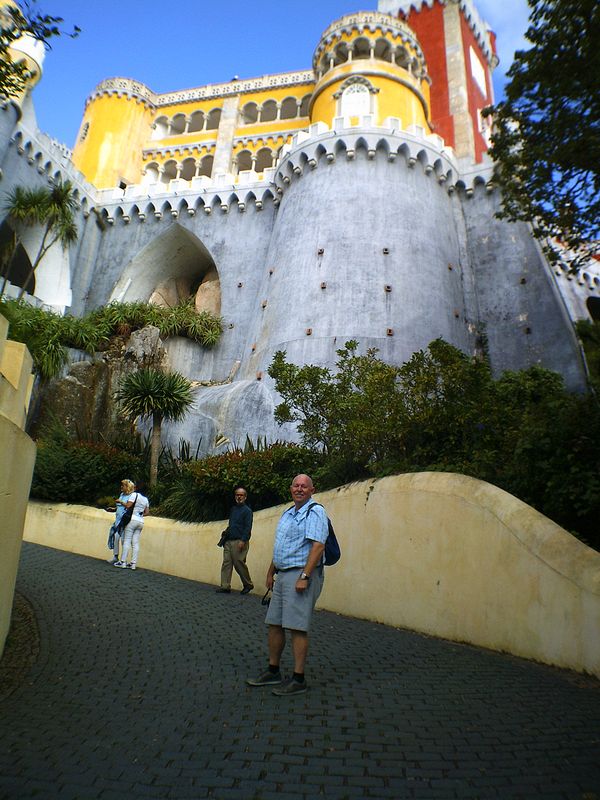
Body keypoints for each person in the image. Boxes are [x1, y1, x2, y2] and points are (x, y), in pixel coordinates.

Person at [246, 474, 328, 696]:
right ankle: (274, 670)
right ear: (291, 489)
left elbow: (318, 546)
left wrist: (305, 576)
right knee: (274, 623)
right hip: (283, 575)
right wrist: (271, 571)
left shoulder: (316, 512)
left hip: (300, 575)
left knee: (297, 626)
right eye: (296, 485)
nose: (299, 489)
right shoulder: (288, 513)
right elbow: (282, 546)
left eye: (304, 486)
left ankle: (299, 678)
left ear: (312, 490)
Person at [216, 486, 254, 595]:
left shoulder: (247, 511)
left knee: (239, 563)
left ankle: (248, 584)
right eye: (237, 495)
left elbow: (248, 527)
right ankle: (225, 586)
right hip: (228, 540)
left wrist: (243, 540)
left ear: (245, 497)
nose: (239, 497)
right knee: (226, 563)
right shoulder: (233, 509)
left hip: (239, 541)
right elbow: (231, 524)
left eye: (241, 495)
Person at [114, 482, 149, 571]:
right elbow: (147, 512)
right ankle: (133, 564)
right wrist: (139, 515)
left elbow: (128, 505)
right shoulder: (145, 499)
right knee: (135, 543)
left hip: (132, 520)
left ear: (137, 488)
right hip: (140, 522)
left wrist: (121, 502)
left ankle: (123, 562)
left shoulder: (134, 495)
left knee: (127, 541)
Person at [106, 479, 135, 564]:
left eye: (123, 485)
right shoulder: (122, 494)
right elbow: (120, 507)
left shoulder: (132, 496)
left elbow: (128, 507)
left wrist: (121, 502)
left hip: (125, 521)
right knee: (115, 537)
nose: (121, 487)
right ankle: (115, 556)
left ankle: (123, 559)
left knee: (123, 539)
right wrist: (113, 509)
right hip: (118, 521)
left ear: (128, 487)